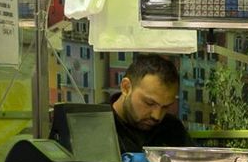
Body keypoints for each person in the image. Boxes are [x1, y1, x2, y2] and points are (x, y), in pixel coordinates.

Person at [51, 53, 190, 155]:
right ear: (126, 87)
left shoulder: (172, 129)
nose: (157, 116)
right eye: (149, 103)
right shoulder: (90, 126)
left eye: (166, 106)